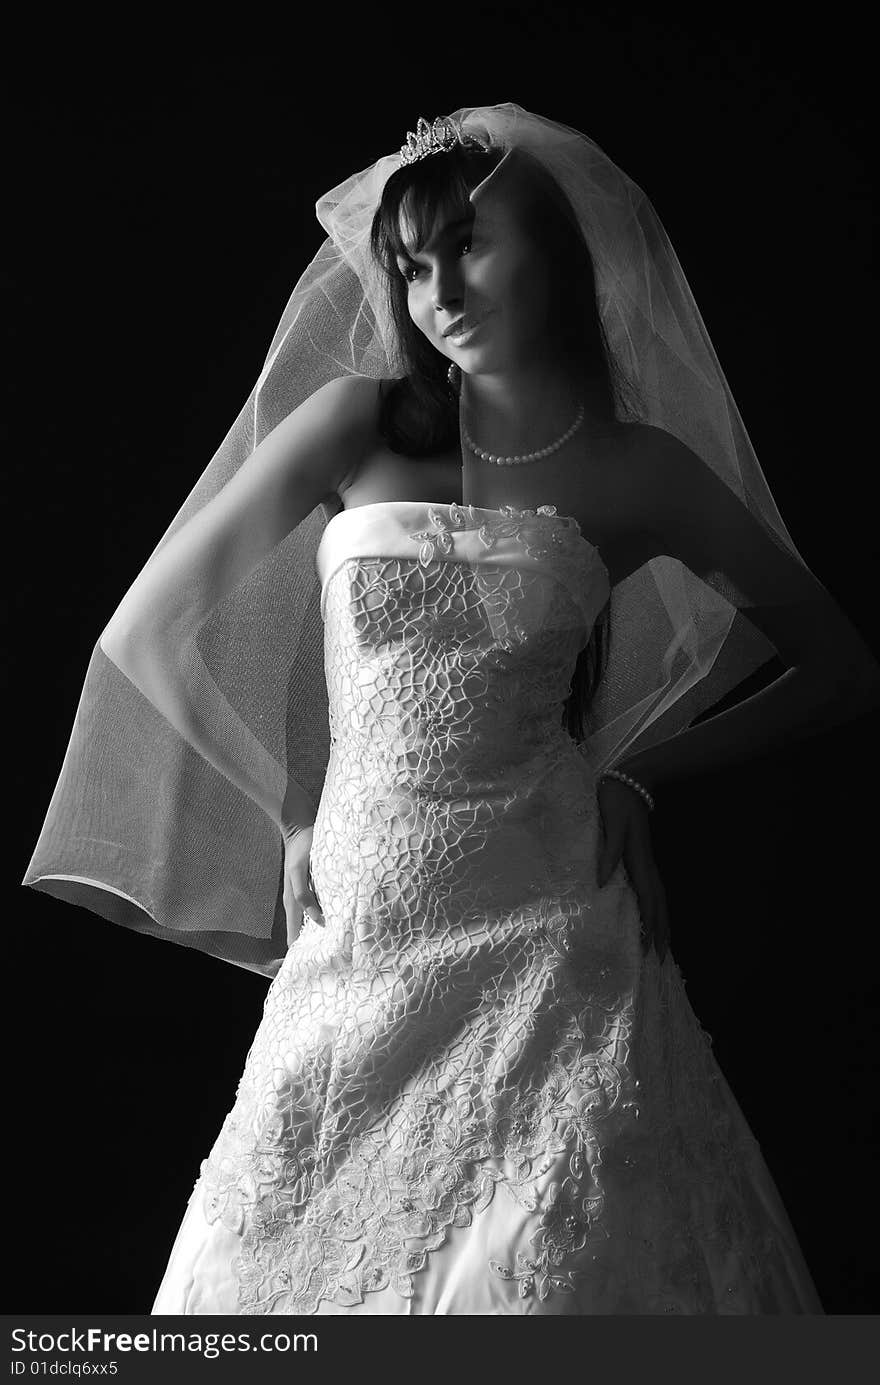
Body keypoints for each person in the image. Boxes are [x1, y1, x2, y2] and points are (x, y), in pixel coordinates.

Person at [22, 105, 879, 1315]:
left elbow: (842, 667)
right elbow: (142, 632)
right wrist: (290, 810)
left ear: (562, 251)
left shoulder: (643, 472)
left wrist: (640, 773)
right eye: (412, 268)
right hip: (362, 923)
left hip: (549, 917)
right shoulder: (355, 425)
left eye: (470, 246)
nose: (439, 295)